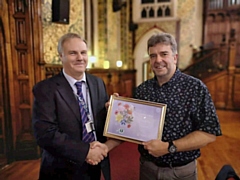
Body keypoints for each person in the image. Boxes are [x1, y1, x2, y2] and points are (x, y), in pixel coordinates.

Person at [32, 32, 121, 180]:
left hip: (95, 166)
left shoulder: (97, 83)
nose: (80, 58)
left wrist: (112, 112)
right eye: (73, 53)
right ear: (61, 56)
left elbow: (99, 123)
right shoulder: (46, 89)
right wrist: (86, 151)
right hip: (61, 170)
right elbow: (45, 134)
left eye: (83, 52)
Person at [134, 32, 222, 180]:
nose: (158, 60)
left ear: (175, 57)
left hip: (180, 172)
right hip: (147, 168)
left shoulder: (195, 87)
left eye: (164, 54)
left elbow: (209, 133)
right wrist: (116, 108)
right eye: (153, 56)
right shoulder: (143, 89)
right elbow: (131, 124)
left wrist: (169, 147)